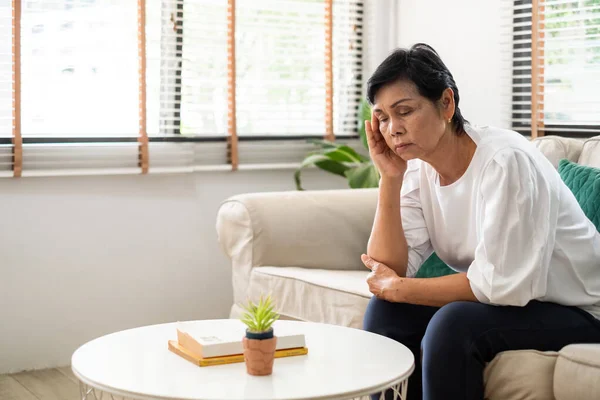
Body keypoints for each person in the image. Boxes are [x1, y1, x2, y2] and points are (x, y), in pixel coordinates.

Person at [361, 43, 600, 400]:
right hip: (518, 302)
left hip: (579, 308)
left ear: (446, 103)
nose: (392, 129)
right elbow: (389, 267)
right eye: (381, 117)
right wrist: (390, 179)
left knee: (453, 324)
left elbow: (502, 286)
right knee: (386, 311)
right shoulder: (417, 167)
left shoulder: (506, 162)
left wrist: (399, 288)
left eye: (405, 111)